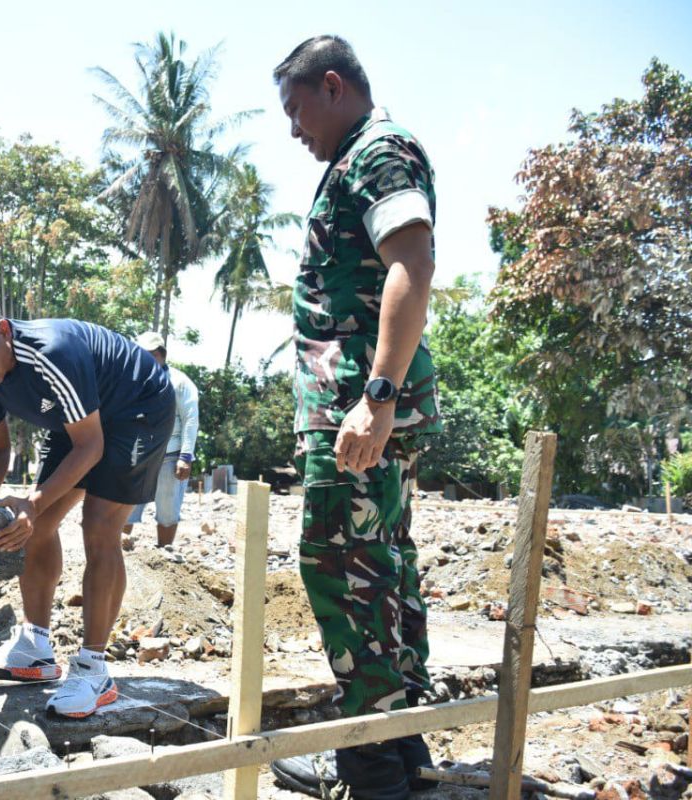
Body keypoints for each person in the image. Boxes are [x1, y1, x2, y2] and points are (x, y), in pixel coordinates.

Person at [266, 36, 442, 800]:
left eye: (298, 109)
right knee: (383, 562)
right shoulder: (356, 160)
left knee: (341, 564)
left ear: (332, 87)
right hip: (356, 404)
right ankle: (400, 753)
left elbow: (414, 261)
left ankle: (371, 770)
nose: (294, 128)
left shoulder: (378, 152)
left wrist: (376, 398)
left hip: (358, 406)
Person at [0, 291, 175, 719]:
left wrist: (34, 501)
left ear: (3, 332)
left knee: (98, 525)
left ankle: (94, 670)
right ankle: (36, 650)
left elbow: (92, 444)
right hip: (77, 418)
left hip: (137, 408)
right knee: (37, 526)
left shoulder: (52, 353)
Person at [121, 331, 199, 547]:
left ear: (162, 355)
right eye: (143, 355)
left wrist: (186, 457)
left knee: (167, 509)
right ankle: (120, 550)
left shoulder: (180, 382)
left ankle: (164, 553)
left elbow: (191, 420)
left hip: (171, 456)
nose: (148, 360)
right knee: (126, 506)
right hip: (139, 455)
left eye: (153, 355)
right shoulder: (131, 382)